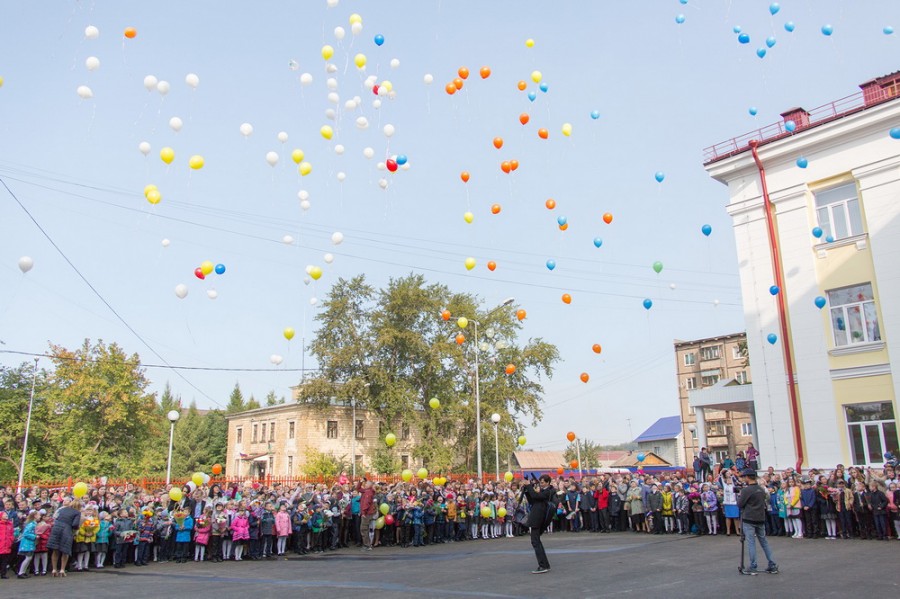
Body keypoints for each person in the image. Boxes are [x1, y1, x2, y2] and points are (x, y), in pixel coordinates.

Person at [737, 468, 778, 575]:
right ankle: (772, 564)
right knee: (764, 542)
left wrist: (740, 496)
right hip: (760, 517)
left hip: (749, 518)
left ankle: (753, 566)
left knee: (751, 543)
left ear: (747, 477)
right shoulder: (761, 489)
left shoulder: (746, 490)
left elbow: (740, 504)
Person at [522, 474, 555, 574]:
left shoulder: (549, 491)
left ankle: (543, 565)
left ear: (548, 482)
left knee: (535, 542)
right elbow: (533, 500)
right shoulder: (543, 491)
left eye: (543, 482)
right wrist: (528, 490)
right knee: (536, 542)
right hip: (536, 517)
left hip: (538, 518)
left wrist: (529, 486)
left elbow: (536, 496)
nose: (541, 484)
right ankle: (545, 564)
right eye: (540, 482)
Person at [47, 498, 81, 577]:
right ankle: (62, 570)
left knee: (55, 550)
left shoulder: (62, 509)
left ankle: (54, 569)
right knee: (65, 551)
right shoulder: (77, 513)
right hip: (66, 530)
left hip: (56, 529)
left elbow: (55, 518)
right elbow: (75, 524)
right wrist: (76, 530)